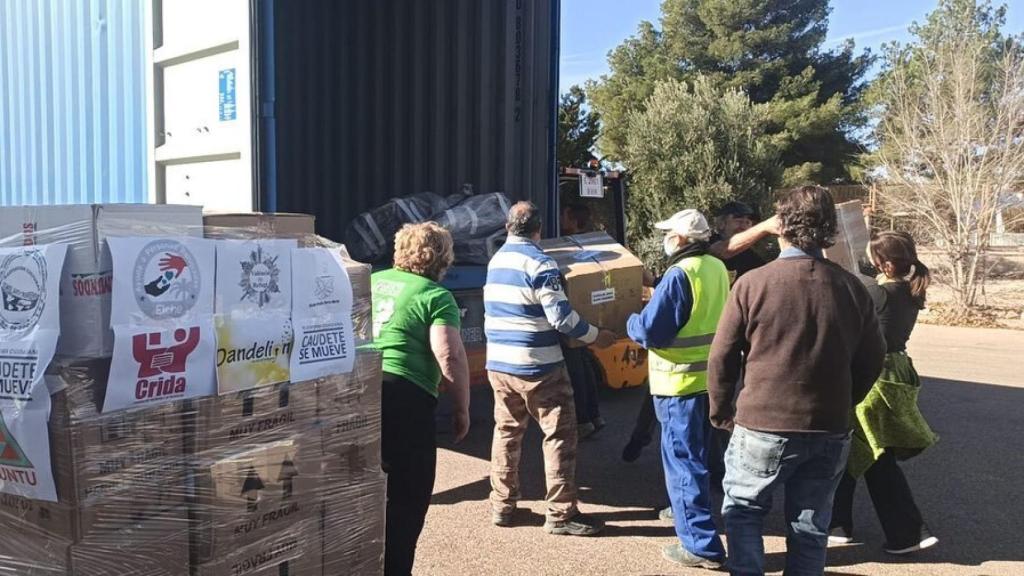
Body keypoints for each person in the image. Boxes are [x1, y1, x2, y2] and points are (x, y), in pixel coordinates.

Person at [707, 186, 886, 576]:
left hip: (761, 424)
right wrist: (846, 400)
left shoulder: (753, 284)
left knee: (744, 513)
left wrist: (720, 413)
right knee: (809, 527)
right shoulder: (853, 288)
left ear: (780, 227)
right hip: (829, 426)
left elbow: (721, 357)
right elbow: (874, 358)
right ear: (829, 231)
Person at [484, 201, 617, 536]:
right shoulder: (541, 262)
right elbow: (560, 318)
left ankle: (502, 504)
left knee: (507, 432)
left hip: (499, 364)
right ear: (539, 230)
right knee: (559, 434)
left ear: (507, 227)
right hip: (538, 366)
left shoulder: (497, 260)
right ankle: (560, 513)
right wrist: (596, 336)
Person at [626, 209, 729, 569]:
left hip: (679, 385)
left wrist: (631, 319)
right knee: (701, 459)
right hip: (710, 383)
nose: (665, 238)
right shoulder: (715, 267)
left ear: (681, 239)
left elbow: (651, 331)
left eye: (668, 232)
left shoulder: (678, 275)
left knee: (684, 464)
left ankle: (700, 546)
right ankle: (686, 514)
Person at [371, 222, 471, 576]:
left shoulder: (373, 281)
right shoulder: (434, 296)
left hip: (362, 392)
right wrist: (461, 407)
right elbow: (450, 356)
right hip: (405, 398)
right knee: (407, 498)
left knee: (365, 489)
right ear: (440, 257)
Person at [830, 231, 939, 555]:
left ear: (885, 264)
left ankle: (908, 530)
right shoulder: (909, 291)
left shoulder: (877, 294)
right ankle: (837, 524)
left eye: (871, 257)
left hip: (871, 378)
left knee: (872, 454)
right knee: (853, 449)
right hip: (894, 374)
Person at [560, 202, 605, 438]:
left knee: (574, 367)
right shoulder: (593, 243)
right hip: (589, 311)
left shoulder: (565, 246)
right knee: (584, 363)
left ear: (570, 216)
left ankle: (582, 420)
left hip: (572, 314)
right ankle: (595, 415)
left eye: (562, 214)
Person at [708, 201, 778, 282]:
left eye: (748, 222)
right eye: (739, 221)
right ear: (721, 224)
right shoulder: (706, 246)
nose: (743, 227)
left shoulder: (753, 260)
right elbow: (719, 251)